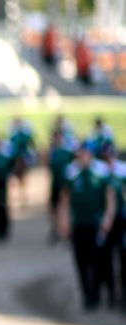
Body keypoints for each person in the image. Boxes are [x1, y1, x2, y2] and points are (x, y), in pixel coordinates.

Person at [57, 141, 116, 311]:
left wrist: (107, 219)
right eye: (80, 154)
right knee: (80, 261)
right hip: (79, 225)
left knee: (96, 261)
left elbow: (109, 199)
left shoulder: (100, 174)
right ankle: (86, 294)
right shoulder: (72, 174)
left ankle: (96, 293)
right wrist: (63, 222)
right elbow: (64, 201)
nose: (82, 157)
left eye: (85, 154)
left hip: (95, 225)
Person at [97, 139, 125, 309]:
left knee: (122, 260)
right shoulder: (99, 174)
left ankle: (122, 295)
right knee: (105, 259)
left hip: (121, 220)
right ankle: (111, 294)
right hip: (106, 221)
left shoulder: (122, 172)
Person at [46, 127, 77, 243]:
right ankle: (56, 228)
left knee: (65, 207)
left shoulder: (67, 151)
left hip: (65, 184)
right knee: (53, 208)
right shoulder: (52, 152)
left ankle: (65, 230)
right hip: (55, 183)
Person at [7, 117, 36, 212]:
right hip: (16, 158)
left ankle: (23, 196)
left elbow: (30, 143)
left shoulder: (23, 135)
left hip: (23, 157)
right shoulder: (13, 136)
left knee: (23, 177)